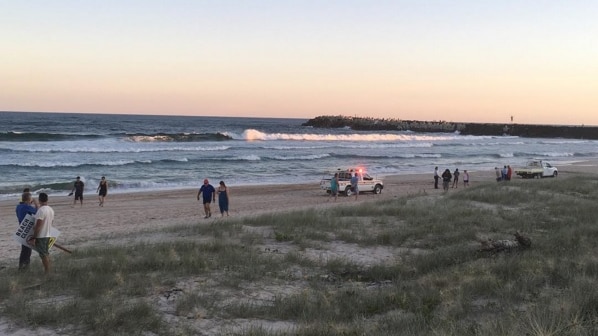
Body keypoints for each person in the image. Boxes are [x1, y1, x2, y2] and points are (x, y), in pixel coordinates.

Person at [27, 192, 54, 275]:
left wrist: (34, 237)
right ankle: (48, 270)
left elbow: (38, 225)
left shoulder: (41, 210)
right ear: (47, 200)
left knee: (43, 254)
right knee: (46, 253)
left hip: (41, 235)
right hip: (48, 233)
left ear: (39, 200)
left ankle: (47, 272)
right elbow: (51, 222)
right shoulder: (50, 209)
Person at [16, 192, 38, 270]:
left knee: (24, 249)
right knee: (27, 250)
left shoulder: (18, 206)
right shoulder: (26, 207)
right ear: (28, 199)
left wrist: (29, 204)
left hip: (22, 227)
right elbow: (37, 211)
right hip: (28, 228)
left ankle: (22, 266)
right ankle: (24, 267)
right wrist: (35, 203)